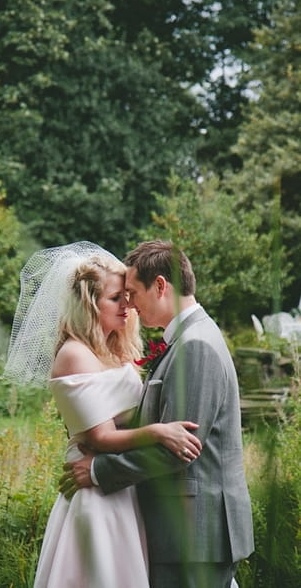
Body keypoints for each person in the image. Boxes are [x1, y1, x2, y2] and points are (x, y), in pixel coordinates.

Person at [3, 241, 202, 588]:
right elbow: (100, 437)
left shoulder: (112, 350)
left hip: (121, 485)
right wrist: (159, 432)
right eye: (115, 298)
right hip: (97, 494)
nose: (128, 305)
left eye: (127, 295)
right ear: (88, 304)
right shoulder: (75, 355)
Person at [60, 240, 254, 588]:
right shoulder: (188, 339)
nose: (130, 303)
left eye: (133, 292)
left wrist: (99, 471)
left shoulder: (194, 345)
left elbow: (177, 450)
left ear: (161, 285)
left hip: (195, 532)